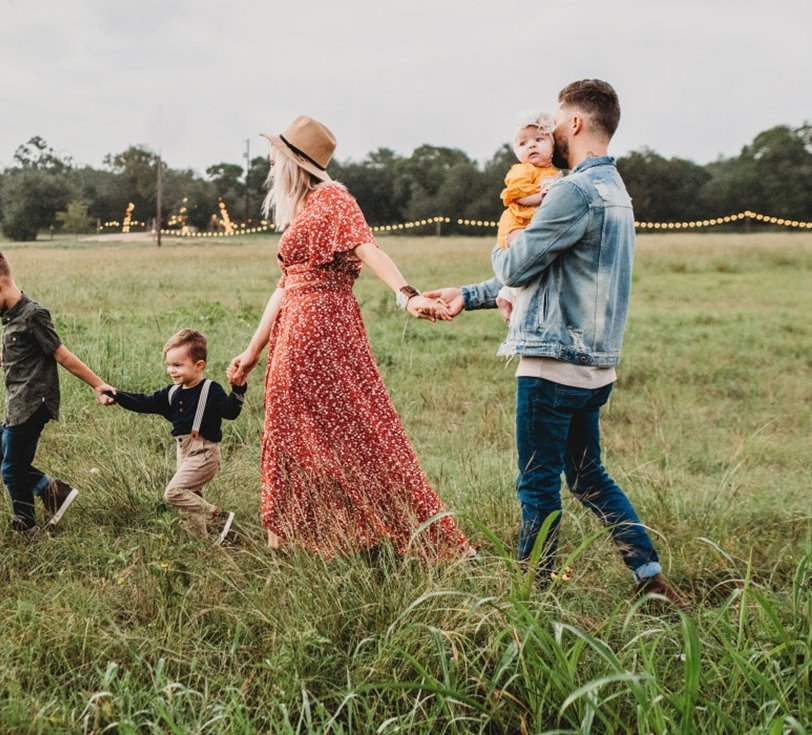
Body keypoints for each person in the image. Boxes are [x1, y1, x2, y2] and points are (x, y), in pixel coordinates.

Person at [425, 80, 685, 604]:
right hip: (595, 368)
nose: (550, 133)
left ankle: (533, 594)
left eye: (557, 122)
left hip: (552, 365)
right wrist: (469, 295)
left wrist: (508, 241)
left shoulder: (571, 191)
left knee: (536, 483)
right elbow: (551, 273)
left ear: (576, 124)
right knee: (589, 477)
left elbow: (519, 263)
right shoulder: (616, 191)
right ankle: (649, 578)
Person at [226, 114, 472, 558]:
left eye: (275, 156)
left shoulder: (333, 199)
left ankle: (368, 533)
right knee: (295, 433)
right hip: (296, 328)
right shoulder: (304, 209)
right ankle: (300, 539)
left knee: (352, 431)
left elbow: (368, 247)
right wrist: (252, 351)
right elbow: (284, 286)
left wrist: (406, 295)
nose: (268, 163)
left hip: (320, 328)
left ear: (294, 162)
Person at [0, 244, 115, 537]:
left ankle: (26, 526)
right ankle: (53, 491)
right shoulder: (10, 315)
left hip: (33, 404)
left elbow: (61, 354)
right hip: (15, 404)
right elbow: (18, 352)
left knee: (12, 468)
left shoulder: (33, 314)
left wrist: (98, 384)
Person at [106, 329, 246, 542]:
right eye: (169, 365)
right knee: (190, 502)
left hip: (205, 453)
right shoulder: (172, 393)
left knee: (174, 492)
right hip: (183, 452)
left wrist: (238, 388)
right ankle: (202, 543)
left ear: (199, 366)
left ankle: (218, 516)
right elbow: (144, 402)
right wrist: (116, 395)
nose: (171, 370)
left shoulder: (210, 389)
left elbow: (230, 412)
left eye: (178, 365)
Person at [494, 112, 563, 321]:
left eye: (539, 140)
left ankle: (508, 294)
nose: (531, 146)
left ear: (552, 148)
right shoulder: (522, 170)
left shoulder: (556, 173)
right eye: (523, 143)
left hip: (532, 224)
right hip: (516, 223)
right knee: (523, 252)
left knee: (535, 259)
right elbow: (516, 194)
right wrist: (538, 197)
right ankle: (509, 295)